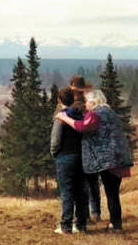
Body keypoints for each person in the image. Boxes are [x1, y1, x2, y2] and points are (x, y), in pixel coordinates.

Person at [56, 89, 134, 232]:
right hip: (120, 157)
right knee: (113, 193)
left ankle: (114, 225)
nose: (85, 105)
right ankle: (114, 223)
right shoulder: (110, 113)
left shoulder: (96, 114)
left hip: (108, 160)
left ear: (93, 101)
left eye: (87, 102)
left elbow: (82, 127)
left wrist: (64, 117)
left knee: (110, 192)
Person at [50, 87, 87, 234]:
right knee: (80, 192)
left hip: (65, 157)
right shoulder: (80, 115)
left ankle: (66, 226)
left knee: (67, 193)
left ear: (59, 100)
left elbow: (55, 140)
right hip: (80, 156)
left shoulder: (61, 118)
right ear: (73, 100)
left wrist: (55, 153)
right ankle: (81, 225)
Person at [68, 75, 101, 222]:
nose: (76, 93)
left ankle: (95, 212)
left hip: (88, 144)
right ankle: (85, 214)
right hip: (76, 146)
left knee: (92, 181)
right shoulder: (70, 103)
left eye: (78, 91)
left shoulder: (87, 104)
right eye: (74, 90)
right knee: (82, 183)